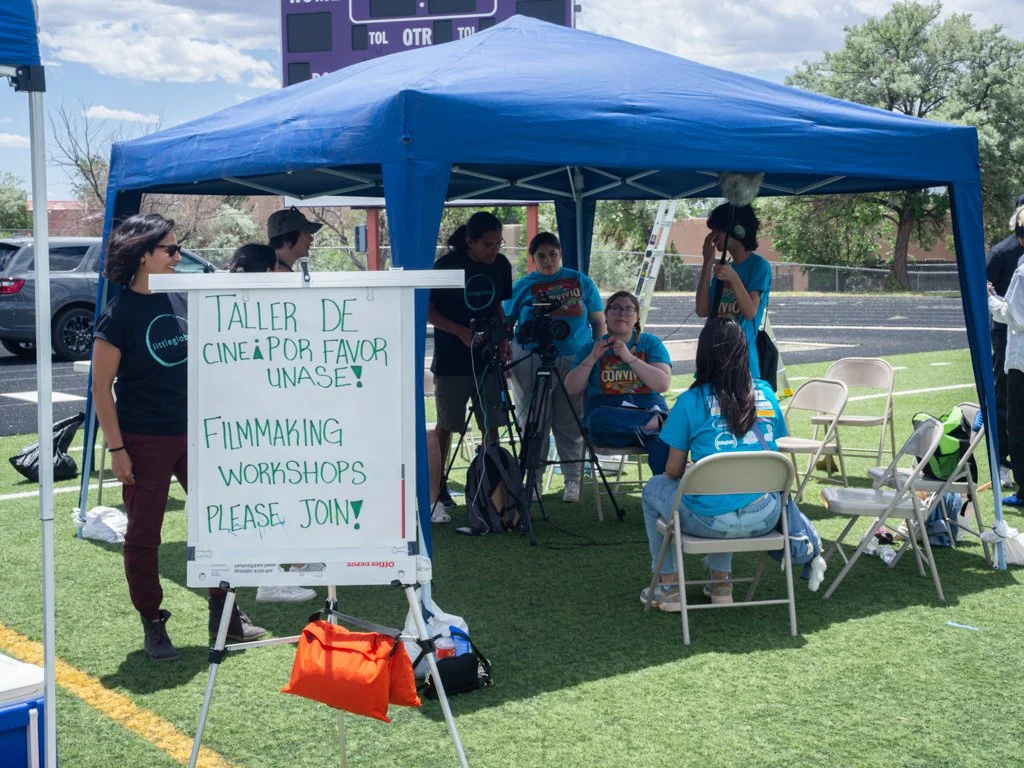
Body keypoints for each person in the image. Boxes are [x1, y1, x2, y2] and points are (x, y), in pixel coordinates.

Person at [91, 214, 266, 662]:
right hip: (144, 439)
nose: (178, 256)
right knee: (144, 535)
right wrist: (117, 450)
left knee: (220, 523)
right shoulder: (118, 315)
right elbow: (100, 390)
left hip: (200, 436)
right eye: (170, 249)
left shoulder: (186, 295)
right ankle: (152, 620)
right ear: (142, 255)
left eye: (177, 248)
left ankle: (225, 614)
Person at [639, 317, 788, 610]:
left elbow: (672, 471)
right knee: (729, 487)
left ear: (703, 354)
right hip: (767, 515)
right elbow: (780, 445)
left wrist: (697, 472)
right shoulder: (766, 393)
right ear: (744, 351)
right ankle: (721, 583)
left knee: (655, 487)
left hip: (709, 520)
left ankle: (669, 587)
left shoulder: (690, 401)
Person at [225, 242, 319, 603]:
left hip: (254, 418)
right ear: (267, 270)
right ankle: (271, 575)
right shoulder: (251, 305)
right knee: (268, 494)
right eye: (276, 268)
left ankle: (296, 560)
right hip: (255, 420)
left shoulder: (232, 301)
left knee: (277, 490)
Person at [504, 232, 606, 502]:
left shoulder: (580, 281)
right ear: (533, 258)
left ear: (561, 254)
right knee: (534, 420)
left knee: (570, 419)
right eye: (541, 255)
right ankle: (533, 481)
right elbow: (506, 323)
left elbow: (598, 321)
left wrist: (597, 354)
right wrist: (505, 356)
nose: (548, 260)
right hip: (530, 358)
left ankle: (572, 480)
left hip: (574, 357)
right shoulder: (522, 286)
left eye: (553, 254)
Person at [428, 212, 513, 509]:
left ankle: (490, 484)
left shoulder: (501, 265)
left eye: (498, 244)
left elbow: (498, 305)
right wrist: (460, 331)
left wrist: (503, 339)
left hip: (488, 359)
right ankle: (437, 488)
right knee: (447, 424)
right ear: (469, 241)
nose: (494, 251)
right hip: (451, 361)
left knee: (491, 422)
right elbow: (428, 310)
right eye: (487, 245)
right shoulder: (445, 266)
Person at [564, 291, 671, 454]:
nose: (622, 314)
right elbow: (571, 388)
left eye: (629, 309)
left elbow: (662, 384)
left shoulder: (650, 343)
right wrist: (593, 357)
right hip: (608, 412)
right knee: (596, 420)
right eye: (615, 308)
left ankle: (650, 430)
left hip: (646, 406)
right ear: (606, 315)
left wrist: (629, 358)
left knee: (659, 443)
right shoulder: (591, 348)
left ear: (637, 317)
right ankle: (658, 424)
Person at [695, 203, 771, 378]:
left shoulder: (759, 266)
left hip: (741, 362)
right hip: (714, 358)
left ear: (737, 231)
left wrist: (734, 279)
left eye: (717, 230)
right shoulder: (725, 267)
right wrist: (707, 263)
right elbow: (702, 310)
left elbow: (750, 312)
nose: (713, 236)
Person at [986, 194, 1024, 489]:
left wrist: (992, 300)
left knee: (1014, 409)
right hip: (1007, 339)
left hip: (1015, 334)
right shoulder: (1001, 253)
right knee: (1004, 402)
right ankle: (1001, 461)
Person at [268, 208, 321, 272]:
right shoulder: (282, 273)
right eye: (305, 232)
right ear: (287, 239)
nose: (311, 238)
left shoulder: (272, 270)